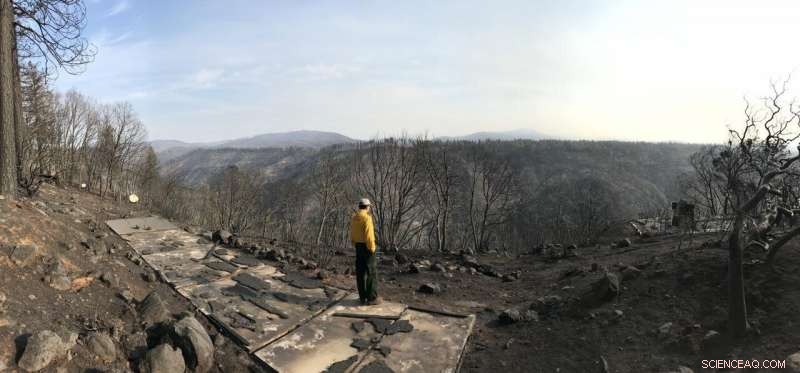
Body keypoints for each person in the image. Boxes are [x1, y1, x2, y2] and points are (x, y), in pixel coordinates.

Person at [350, 198, 381, 305]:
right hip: (367, 247)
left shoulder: (354, 217)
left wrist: (354, 243)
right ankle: (372, 298)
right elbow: (369, 235)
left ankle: (362, 298)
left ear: (359, 206)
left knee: (360, 272)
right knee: (371, 272)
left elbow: (352, 233)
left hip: (358, 246)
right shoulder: (367, 218)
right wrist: (372, 248)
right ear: (367, 207)